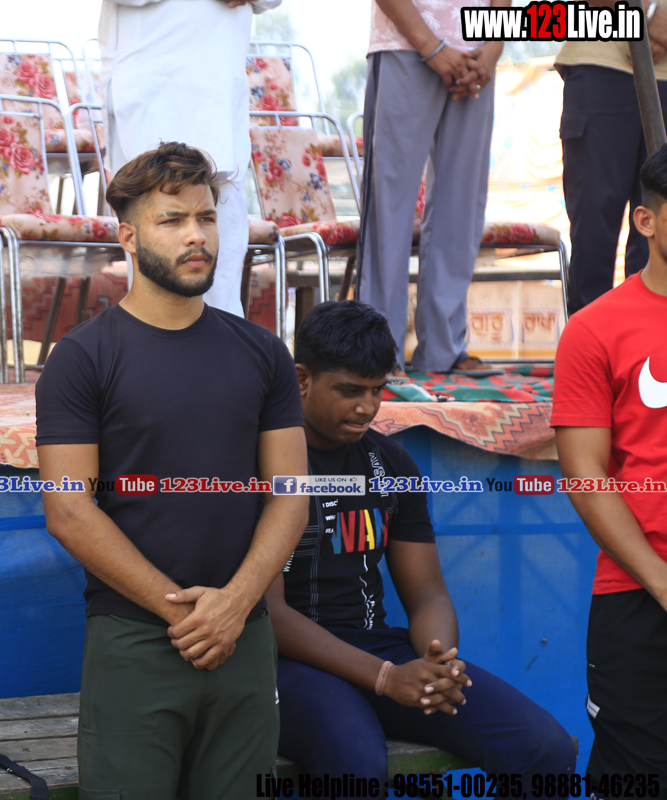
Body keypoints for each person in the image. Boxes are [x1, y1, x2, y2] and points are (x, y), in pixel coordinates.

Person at [35, 141, 310, 799]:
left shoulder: (262, 353)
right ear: (129, 237)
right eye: (173, 220)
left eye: (207, 217)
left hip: (244, 636)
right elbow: (68, 509)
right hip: (136, 637)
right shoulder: (82, 359)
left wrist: (235, 604)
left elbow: (291, 496)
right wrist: (185, 613)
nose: (197, 236)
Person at [268, 299, 575, 784]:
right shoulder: (261, 461)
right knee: (355, 763)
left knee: (542, 748)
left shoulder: (391, 464)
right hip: (286, 662)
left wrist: (438, 663)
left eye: (377, 390)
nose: (367, 407)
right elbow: (268, 615)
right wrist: (386, 678)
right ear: (302, 379)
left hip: (378, 649)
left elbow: (428, 593)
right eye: (349, 391)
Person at [553, 146, 667, 781]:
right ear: (645, 221)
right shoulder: (595, 330)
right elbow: (586, 476)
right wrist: (660, 581)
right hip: (638, 594)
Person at [99, 0, 281, 317]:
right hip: (152, 96)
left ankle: (219, 350)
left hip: (218, 101)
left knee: (221, 277)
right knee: (156, 272)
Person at [356, 0, 507, 378]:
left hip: (477, 56)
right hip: (405, 42)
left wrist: (494, 45)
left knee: (461, 208)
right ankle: (378, 352)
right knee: (389, 209)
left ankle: (445, 349)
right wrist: (431, 45)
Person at [557, 1, 667, 313]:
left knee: (660, 239)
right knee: (594, 231)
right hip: (602, 62)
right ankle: (590, 341)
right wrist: (647, 14)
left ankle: (651, 341)